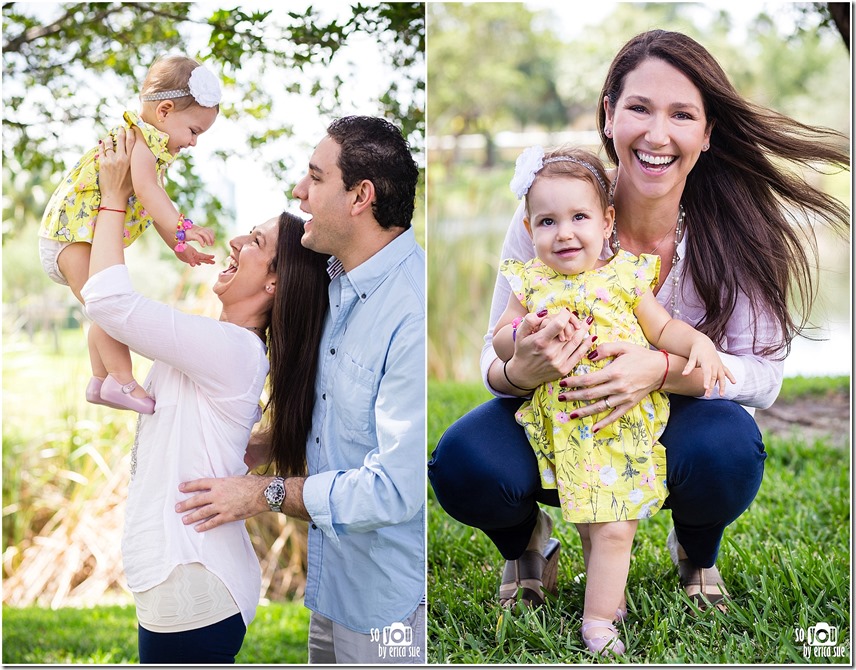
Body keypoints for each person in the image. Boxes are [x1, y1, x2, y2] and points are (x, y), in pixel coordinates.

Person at [429, 27, 849, 650]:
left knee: (730, 448)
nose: (657, 134)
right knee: (464, 463)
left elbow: (762, 379)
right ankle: (528, 546)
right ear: (608, 115)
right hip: (556, 410)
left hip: (669, 416)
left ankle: (696, 550)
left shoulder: (739, 233)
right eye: (639, 108)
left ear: (707, 134)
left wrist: (659, 367)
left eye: (682, 115)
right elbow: (490, 357)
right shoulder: (555, 209)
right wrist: (524, 368)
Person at [174, 116, 427, 665]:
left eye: (315, 176)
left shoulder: (411, 310)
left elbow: (393, 490)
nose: (299, 191)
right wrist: (262, 440)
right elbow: (336, 409)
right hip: (333, 590)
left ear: (360, 196)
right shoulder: (335, 281)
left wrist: (261, 492)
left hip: (392, 609)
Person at [81, 127, 330, 663]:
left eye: (256, 244)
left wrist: (114, 197)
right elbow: (107, 325)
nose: (237, 243)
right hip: (179, 578)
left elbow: (106, 299)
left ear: (273, 287)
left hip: (195, 585)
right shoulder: (219, 348)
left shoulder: (234, 352)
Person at [494, 143, 734, 655]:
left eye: (578, 217)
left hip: (618, 424)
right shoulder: (531, 282)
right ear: (529, 229)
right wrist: (525, 335)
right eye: (546, 222)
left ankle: (599, 622)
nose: (563, 233)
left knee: (614, 528)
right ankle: (610, 596)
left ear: (606, 223)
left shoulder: (625, 278)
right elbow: (499, 338)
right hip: (561, 426)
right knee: (588, 519)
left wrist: (700, 345)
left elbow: (664, 327)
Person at [39, 54, 221, 414]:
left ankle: (98, 382)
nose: (194, 143)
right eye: (194, 131)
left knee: (100, 307)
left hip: (74, 236)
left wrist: (179, 246)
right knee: (108, 307)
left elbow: (154, 207)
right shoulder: (138, 141)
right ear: (165, 111)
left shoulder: (150, 149)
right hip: (71, 234)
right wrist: (185, 227)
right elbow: (151, 194)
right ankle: (123, 382)